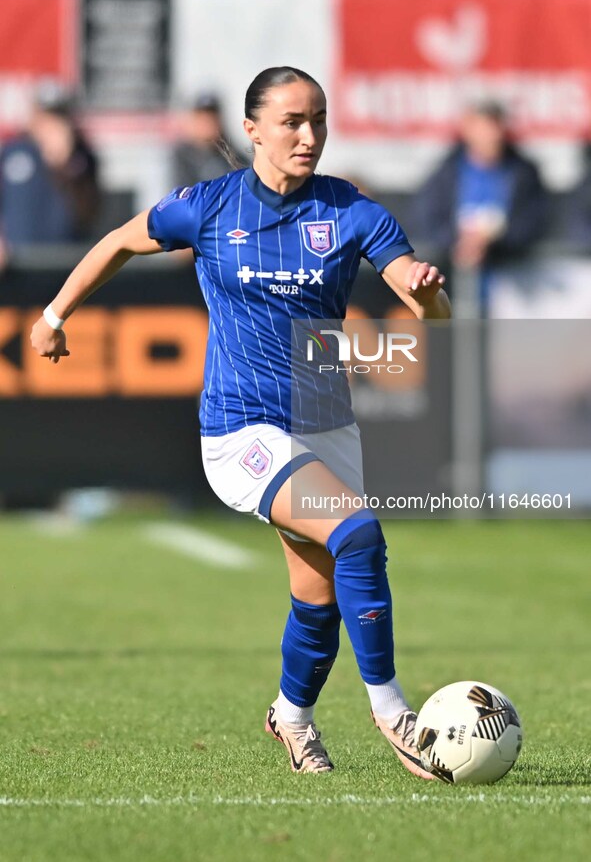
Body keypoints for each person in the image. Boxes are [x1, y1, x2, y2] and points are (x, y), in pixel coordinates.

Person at [30, 67, 450, 778]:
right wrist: (52, 315)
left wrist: (426, 294)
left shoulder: (351, 211)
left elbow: (429, 318)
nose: (308, 135)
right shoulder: (209, 205)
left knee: (316, 592)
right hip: (241, 432)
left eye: (317, 119)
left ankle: (290, 716)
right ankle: (394, 712)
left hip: (323, 423)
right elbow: (117, 243)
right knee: (357, 532)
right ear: (252, 128)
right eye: (291, 121)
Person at [411, 100, 547, 288]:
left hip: (513, 279)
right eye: (484, 128)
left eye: (495, 127)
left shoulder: (523, 173)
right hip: (453, 278)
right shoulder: (447, 172)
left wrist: (493, 241)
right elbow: (429, 220)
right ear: (468, 130)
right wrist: (459, 241)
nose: (491, 136)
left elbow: (534, 220)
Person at [0, 83, 100, 267]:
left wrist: (64, 167)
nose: (50, 126)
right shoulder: (14, 152)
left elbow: (89, 215)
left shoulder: (82, 159)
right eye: (45, 117)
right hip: (14, 267)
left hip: (64, 267)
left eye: (58, 118)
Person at [172, 91, 247, 185]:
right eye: (202, 119)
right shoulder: (183, 157)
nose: (206, 124)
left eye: (210, 119)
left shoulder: (232, 155)